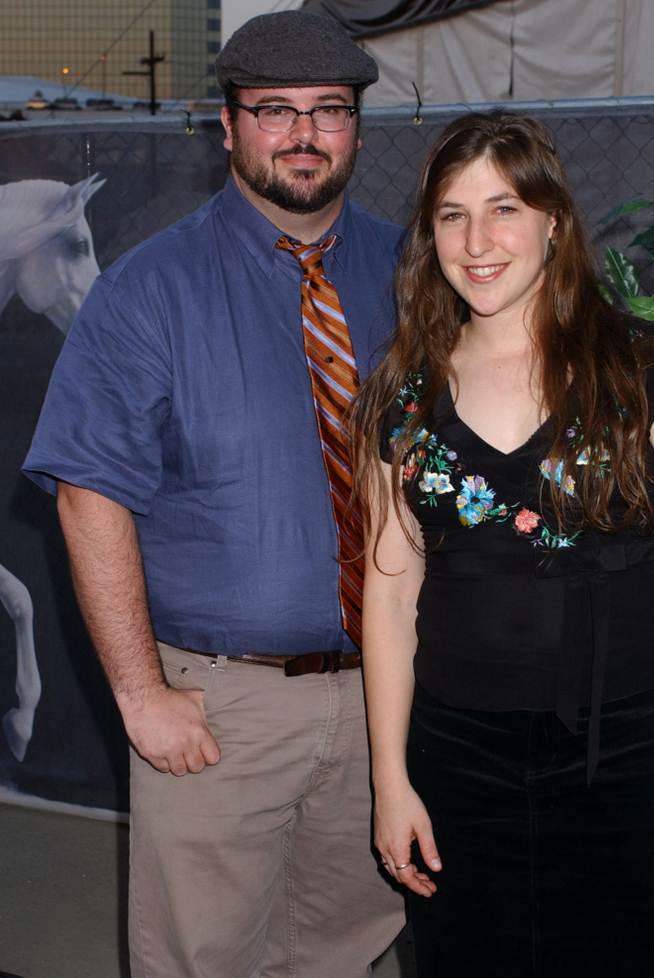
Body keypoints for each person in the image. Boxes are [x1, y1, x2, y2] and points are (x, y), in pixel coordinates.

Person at [22, 11, 406, 978]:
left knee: (343, 949)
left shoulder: (418, 275)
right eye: (273, 110)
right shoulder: (148, 289)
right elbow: (87, 496)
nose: (305, 133)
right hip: (220, 710)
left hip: (393, 697)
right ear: (226, 127)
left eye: (330, 109)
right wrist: (141, 693)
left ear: (358, 125)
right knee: (204, 961)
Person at [351, 112, 654, 978]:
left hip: (623, 753)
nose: (478, 241)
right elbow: (390, 595)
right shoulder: (401, 394)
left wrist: (609, 627)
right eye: (452, 215)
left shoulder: (646, 370)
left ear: (552, 221)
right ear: (429, 235)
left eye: (503, 208)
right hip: (456, 755)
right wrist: (390, 783)